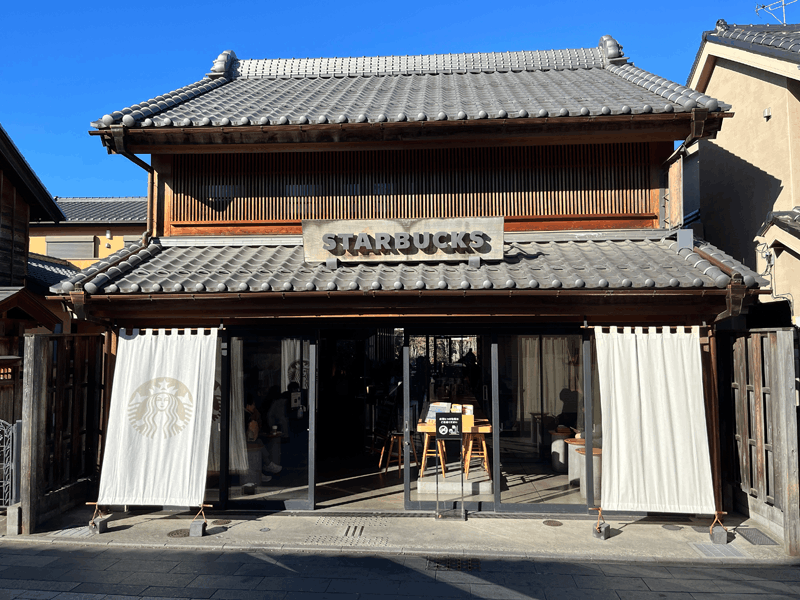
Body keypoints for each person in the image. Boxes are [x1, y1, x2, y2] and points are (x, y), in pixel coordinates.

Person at [244, 395, 282, 482]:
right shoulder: (247, 415)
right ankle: (266, 465)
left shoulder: (248, 414)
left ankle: (267, 465)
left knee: (259, 441)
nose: (254, 407)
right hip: (245, 442)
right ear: (248, 405)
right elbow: (252, 433)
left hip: (247, 440)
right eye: (253, 405)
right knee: (258, 443)